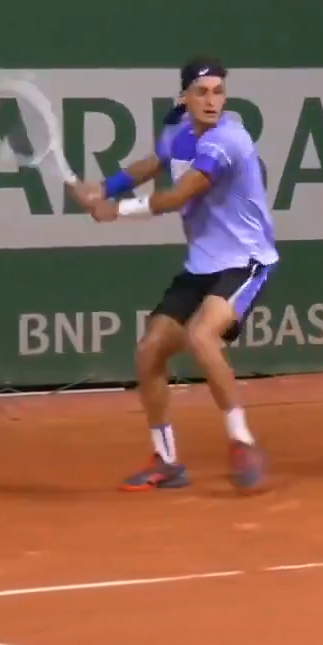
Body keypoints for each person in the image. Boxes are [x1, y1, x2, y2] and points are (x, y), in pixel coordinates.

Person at [70, 56, 277, 493]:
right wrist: (104, 188)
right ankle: (166, 460)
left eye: (219, 92)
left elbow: (179, 194)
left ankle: (242, 441)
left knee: (204, 337)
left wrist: (115, 210)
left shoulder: (229, 141)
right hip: (201, 264)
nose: (211, 101)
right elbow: (152, 164)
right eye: (201, 92)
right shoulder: (179, 132)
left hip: (246, 260)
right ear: (184, 97)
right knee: (148, 352)